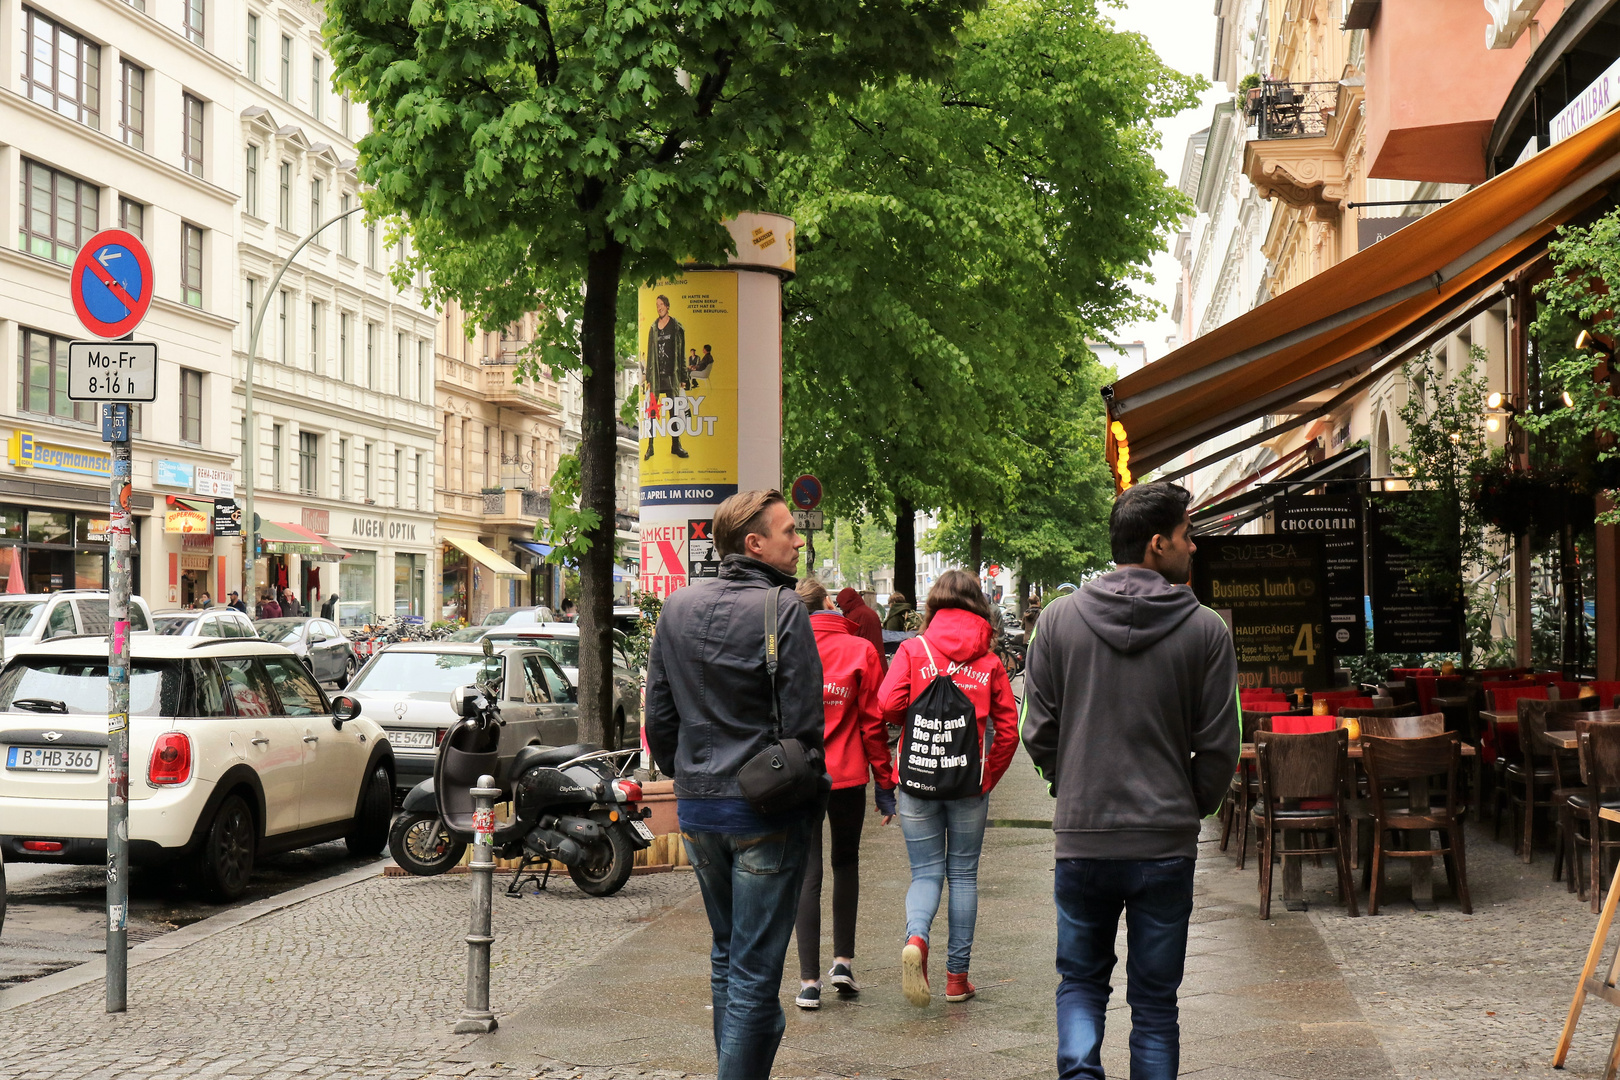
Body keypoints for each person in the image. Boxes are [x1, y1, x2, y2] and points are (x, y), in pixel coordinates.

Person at [1019, 480, 1239, 1080]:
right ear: (1157, 544)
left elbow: (1035, 729)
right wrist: (1187, 805)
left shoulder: (1058, 622)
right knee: (1155, 1004)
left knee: (1081, 984)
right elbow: (1221, 746)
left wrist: (1072, 786)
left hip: (1083, 841)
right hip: (1165, 843)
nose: (1194, 548)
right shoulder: (1207, 632)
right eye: (1188, 536)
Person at [645, 489, 825, 1079]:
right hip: (763, 813)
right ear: (755, 544)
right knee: (753, 972)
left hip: (700, 810)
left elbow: (659, 717)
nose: (798, 541)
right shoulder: (784, 607)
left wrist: (691, 775)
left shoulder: (676, 608)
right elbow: (803, 725)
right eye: (788, 532)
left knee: (727, 956)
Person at [878, 569, 1019, 1007]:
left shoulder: (913, 650)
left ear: (933, 605)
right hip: (967, 782)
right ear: (978, 604)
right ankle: (957, 979)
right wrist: (988, 775)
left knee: (924, 873)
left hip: (917, 779)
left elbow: (887, 705)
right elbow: (1010, 730)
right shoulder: (990, 661)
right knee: (962, 875)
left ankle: (916, 939)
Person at [792, 578, 895, 1010]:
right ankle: (843, 963)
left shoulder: (788, 651)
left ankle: (808, 982)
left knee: (808, 872)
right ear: (830, 607)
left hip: (799, 776)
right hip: (849, 775)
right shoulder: (861, 651)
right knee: (846, 862)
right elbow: (874, 724)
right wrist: (885, 783)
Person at [643, 294, 689, 461]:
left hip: (671, 375)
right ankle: (650, 446)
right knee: (652, 412)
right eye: (657, 305)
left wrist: (683, 377)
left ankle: (676, 445)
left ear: (667, 306)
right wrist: (648, 378)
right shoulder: (653, 328)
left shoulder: (677, 327)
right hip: (656, 376)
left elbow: (682, 354)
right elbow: (649, 354)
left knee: (674, 411)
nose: (659, 307)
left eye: (661, 304)